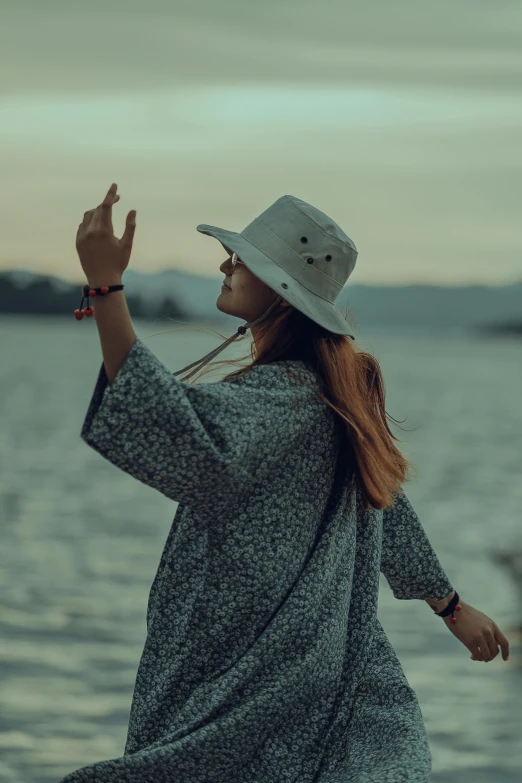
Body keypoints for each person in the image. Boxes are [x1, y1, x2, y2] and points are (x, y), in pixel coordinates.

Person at [62, 193, 510, 782]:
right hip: (309, 659)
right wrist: (449, 606)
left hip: (254, 666)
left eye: (240, 260)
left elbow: (171, 427)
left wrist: (105, 286)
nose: (225, 265)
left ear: (280, 290)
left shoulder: (287, 398)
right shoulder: (328, 394)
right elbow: (385, 503)